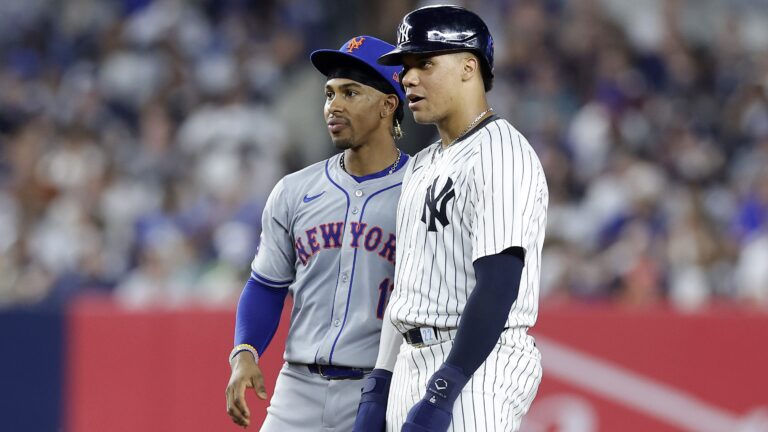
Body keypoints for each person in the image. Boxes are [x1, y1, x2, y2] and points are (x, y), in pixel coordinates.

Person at [353, 5, 549, 432]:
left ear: (467, 67)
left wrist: (446, 387)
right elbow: (405, 286)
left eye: (425, 63)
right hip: (411, 359)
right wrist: (379, 383)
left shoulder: (501, 152)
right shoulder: (422, 164)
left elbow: (499, 284)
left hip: (479, 364)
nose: (408, 78)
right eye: (405, 67)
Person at [225, 35, 409, 431]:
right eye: (329, 94)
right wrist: (245, 352)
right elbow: (267, 284)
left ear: (388, 104)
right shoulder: (294, 190)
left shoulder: (422, 188)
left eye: (351, 92)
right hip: (298, 387)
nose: (334, 106)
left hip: (381, 388)